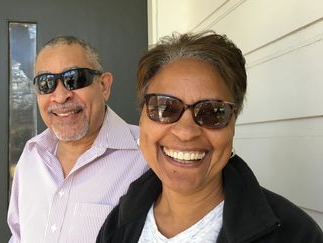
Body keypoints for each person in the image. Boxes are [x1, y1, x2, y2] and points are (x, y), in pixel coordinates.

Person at [97, 31, 323, 242]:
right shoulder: (118, 223)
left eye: (212, 112)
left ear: (233, 123)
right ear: (142, 118)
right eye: (164, 107)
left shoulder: (297, 235)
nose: (185, 132)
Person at [7, 35, 148, 243]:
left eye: (74, 79)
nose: (60, 96)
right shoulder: (31, 156)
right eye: (46, 83)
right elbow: (18, 236)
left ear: (103, 86)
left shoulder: (147, 155)